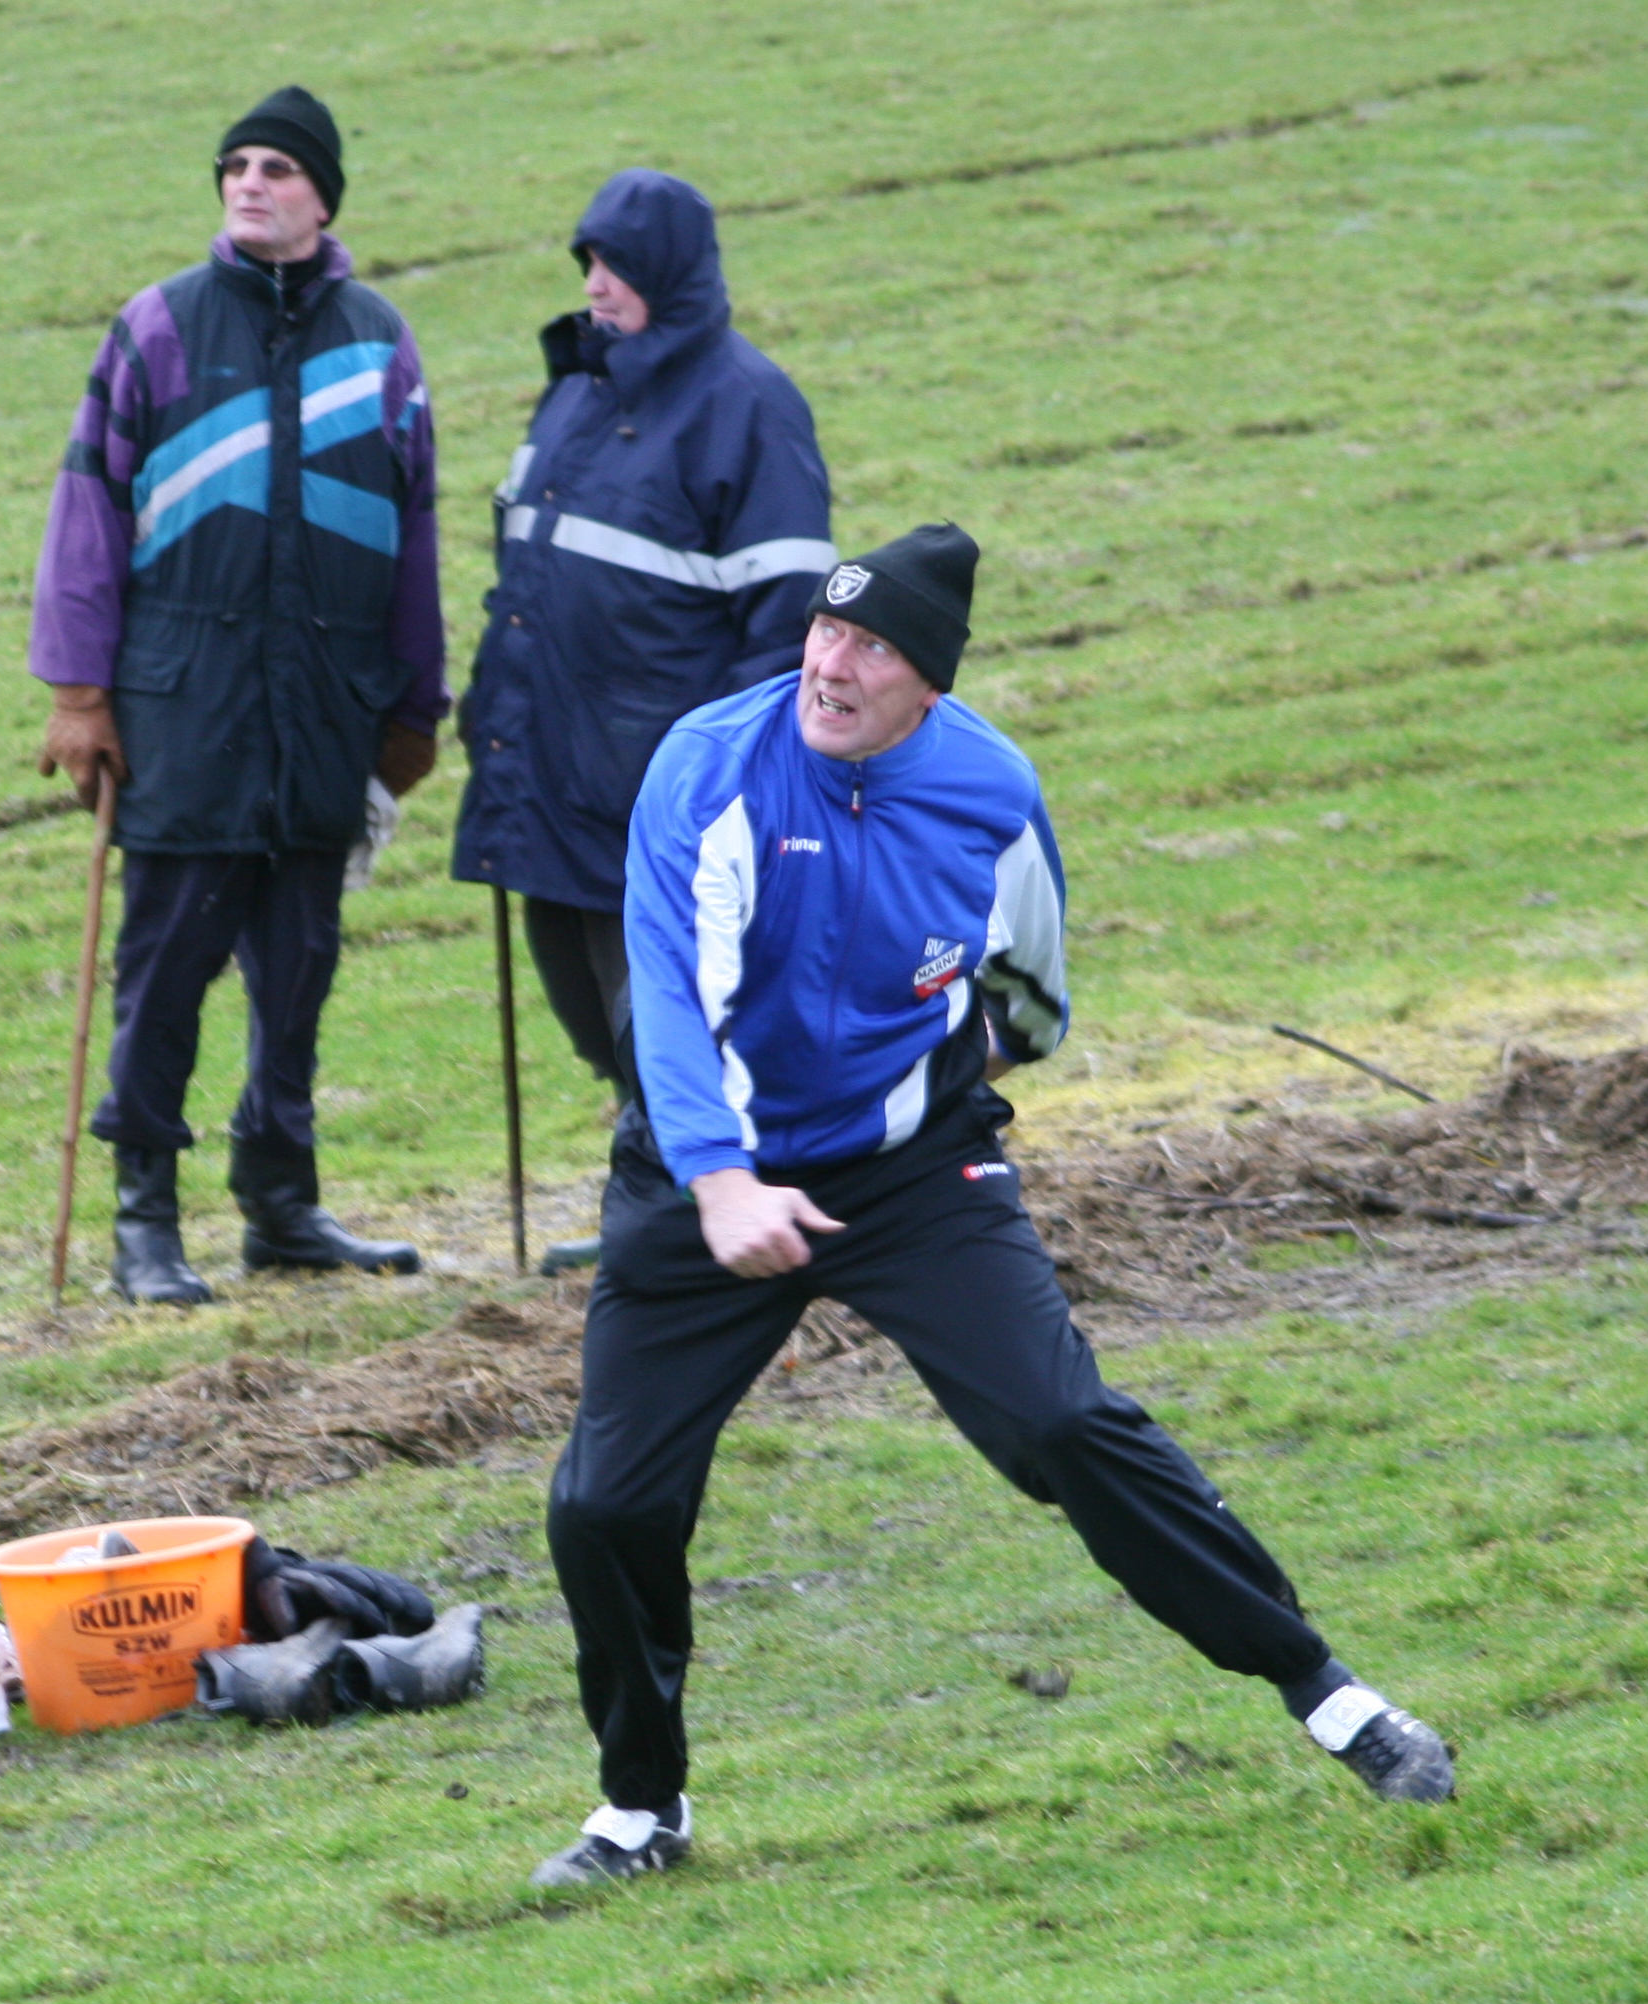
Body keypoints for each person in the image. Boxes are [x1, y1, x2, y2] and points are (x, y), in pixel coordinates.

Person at [527, 523, 1457, 1889]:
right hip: (703, 1170)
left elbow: (1030, 1000)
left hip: (911, 1171)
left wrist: (922, 1096)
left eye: (872, 647)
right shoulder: (711, 766)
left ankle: (1328, 1693)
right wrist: (722, 1181)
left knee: (1065, 1423)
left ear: (930, 683)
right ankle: (639, 1810)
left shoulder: (991, 791)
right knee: (606, 1504)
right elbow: (673, 996)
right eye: (825, 630)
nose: (832, 666)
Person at [30, 85, 446, 1306]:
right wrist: (78, 694)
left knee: (299, 966)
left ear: (324, 197)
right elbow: (86, 516)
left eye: (277, 168)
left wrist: (415, 707)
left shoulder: (380, 342)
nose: (250, 183)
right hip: (184, 706)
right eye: (236, 166)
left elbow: (414, 536)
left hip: (326, 705)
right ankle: (144, 1222)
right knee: (165, 969)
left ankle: (281, 1203)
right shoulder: (156, 327)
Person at [451, 170, 834, 1276]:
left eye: (615, 263)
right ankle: (661, 1193)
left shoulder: (751, 406)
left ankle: (699, 1213)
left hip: (661, 788)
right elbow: (525, 575)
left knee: (664, 1011)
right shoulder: (576, 391)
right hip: (547, 768)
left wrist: (732, 779)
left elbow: (787, 620)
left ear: (670, 270)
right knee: (586, 1003)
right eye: (586, 262)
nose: (595, 283)